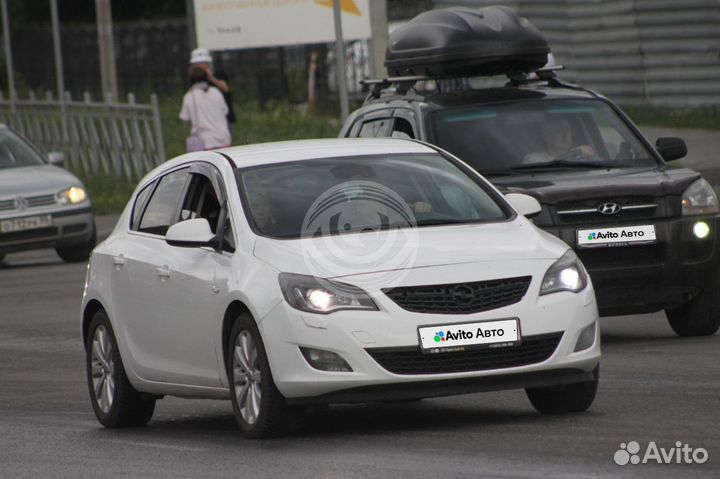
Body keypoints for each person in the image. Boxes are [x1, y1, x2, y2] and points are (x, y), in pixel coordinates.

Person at [179, 66, 231, 150]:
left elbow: (185, 119)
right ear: (207, 77)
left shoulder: (189, 96)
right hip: (223, 140)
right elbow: (225, 112)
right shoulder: (216, 92)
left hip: (205, 143)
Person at [189, 48, 236, 137]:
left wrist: (211, 78)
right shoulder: (195, 78)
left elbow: (226, 89)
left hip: (223, 117)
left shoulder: (219, 74)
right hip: (204, 119)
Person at [524, 117, 596, 164]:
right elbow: (549, 168)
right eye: (559, 131)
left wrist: (590, 155)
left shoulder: (580, 155)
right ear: (547, 137)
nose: (566, 134)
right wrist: (575, 153)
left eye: (568, 130)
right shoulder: (533, 159)